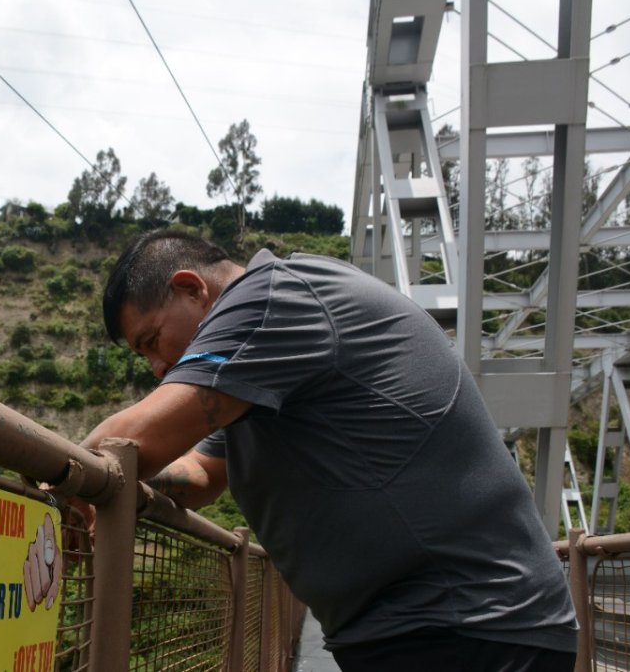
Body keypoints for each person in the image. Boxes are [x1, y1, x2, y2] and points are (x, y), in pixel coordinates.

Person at [76, 229, 578, 671]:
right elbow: (203, 474)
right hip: (427, 629)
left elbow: (140, 438)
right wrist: (135, 484)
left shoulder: (272, 299)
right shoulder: (254, 373)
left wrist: (66, 484)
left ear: (191, 288)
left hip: (467, 624)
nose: (157, 367)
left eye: (151, 340)